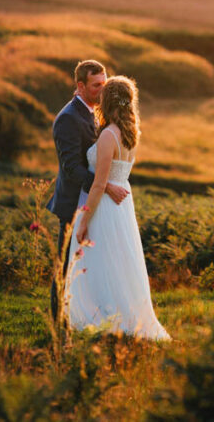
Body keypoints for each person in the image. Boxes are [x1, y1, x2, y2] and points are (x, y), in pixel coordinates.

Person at [64, 74, 170, 340]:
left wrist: (84, 220)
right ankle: (122, 315)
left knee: (101, 260)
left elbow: (99, 184)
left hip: (105, 206)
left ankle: (107, 317)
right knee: (118, 260)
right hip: (122, 205)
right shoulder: (130, 134)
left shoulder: (109, 136)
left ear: (106, 101)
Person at [47, 60, 130, 321]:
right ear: (80, 86)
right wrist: (105, 187)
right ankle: (57, 320)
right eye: (96, 86)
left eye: (104, 84)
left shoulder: (95, 113)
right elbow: (72, 168)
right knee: (65, 266)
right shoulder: (68, 119)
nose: (102, 90)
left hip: (93, 201)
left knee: (90, 265)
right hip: (73, 203)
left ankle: (87, 315)